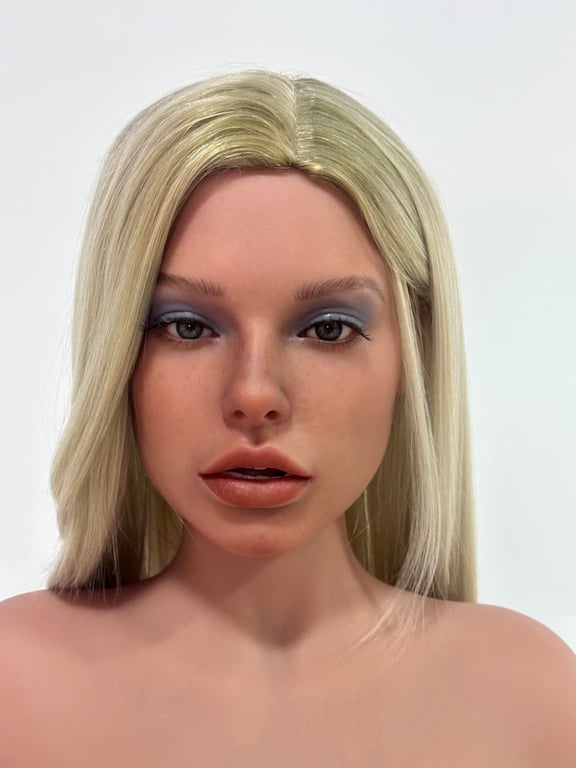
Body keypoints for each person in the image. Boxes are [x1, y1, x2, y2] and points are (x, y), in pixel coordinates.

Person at [0, 70, 574, 766]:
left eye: (328, 329)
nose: (254, 394)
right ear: (118, 353)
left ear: (413, 356)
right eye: (186, 326)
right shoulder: (14, 682)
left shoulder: (531, 697)